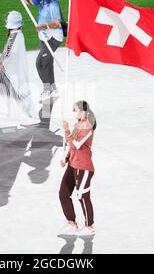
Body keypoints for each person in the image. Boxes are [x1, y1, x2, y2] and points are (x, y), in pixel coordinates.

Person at [12, 0, 63, 102]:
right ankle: (52, 89)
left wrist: (43, 26)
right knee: (47, 64)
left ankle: (48, 90)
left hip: (52, 37)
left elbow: (56, 23)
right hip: (44, 36)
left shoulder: (53, 4)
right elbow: (29, 2)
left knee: (40, 63)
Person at [0, 11, 38, 121]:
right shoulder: (16, 35)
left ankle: (33, 118)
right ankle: (27, 117)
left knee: (21, 95)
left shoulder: (15, 37)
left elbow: (10, 56)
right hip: (10, 73)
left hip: (12, 73)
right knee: (10, 94)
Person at [59, 100, 97, 236]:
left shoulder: (88, 127)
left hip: (83, 167)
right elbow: (71, 145)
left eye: (76, 110)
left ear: (83, 111)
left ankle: (89, 226)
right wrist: (66, 158)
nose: (74, 113)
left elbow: (76, 144)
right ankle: (71, 222)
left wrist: (66, 130)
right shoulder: (78, 124)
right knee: (63, 193)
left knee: (82, 195)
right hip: (72, 164)